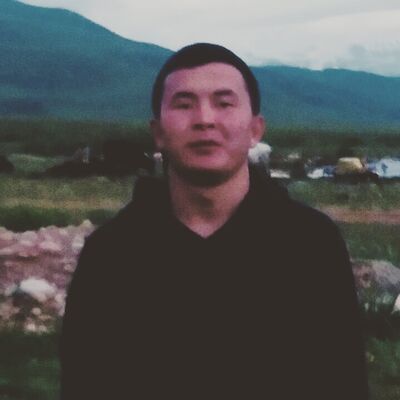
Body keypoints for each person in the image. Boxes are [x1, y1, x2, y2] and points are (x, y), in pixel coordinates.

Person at [60, 43, 368, 399]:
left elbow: (343, 382)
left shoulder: (309, 245)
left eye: (224, 103)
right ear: (158, 133)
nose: (204, 119)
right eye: (184, 104)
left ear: (255, 130)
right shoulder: (112, 254)